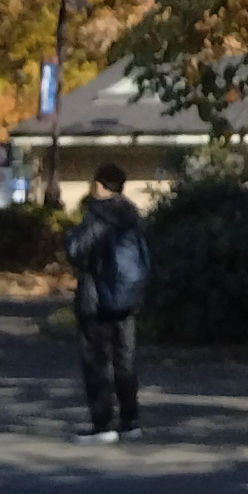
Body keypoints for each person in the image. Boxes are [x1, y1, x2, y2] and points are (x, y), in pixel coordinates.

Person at [67, 165, 152, 436]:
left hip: (96, 300)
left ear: (100, 185)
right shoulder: (133, 214)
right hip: (127, 298)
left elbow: (76, 250)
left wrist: (69, 236)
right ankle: (130, 420)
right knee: (125, 360)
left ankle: (102, 423)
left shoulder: (98, 214)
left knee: (97, 361)